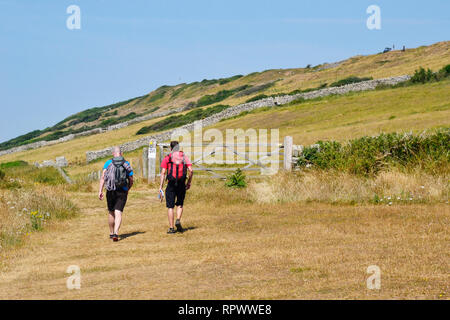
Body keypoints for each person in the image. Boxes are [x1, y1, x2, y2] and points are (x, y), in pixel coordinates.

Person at [98, 146, 134, 241]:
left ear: (113, 153)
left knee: (111, 212)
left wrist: (100, 191)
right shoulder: (126, 163)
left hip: (110, 190)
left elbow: (103, 177)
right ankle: (116, 233)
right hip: (122, 190)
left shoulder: (108, 163)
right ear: (121, 153)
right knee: (118, 212)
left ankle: (111, 233)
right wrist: (128, 188)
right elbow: (131, 178)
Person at [159, 141, 193, 234]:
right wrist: (189, 182)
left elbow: (163, 172)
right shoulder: (184, 157)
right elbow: (191, 170)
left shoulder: (168, 158)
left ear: (171, 148)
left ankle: (171, 228)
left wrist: (161, 187)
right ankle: (178, 219)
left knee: (170, 206)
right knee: (180, 203)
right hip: (182, 183)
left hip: (171, 184)